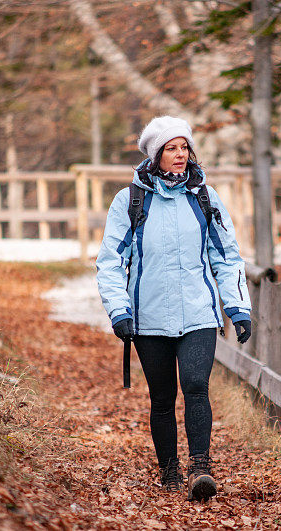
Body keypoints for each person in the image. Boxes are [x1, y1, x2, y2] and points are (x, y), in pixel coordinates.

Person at [96, 116, 252, 501]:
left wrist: (237, 307)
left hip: (198, 312)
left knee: (197, 386)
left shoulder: (205, 197)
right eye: (171, 148)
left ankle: (201, 467)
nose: (180, 155)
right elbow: (110, 261)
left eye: (184, 147)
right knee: (162, 399)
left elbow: (227, 257)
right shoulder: (130, 200)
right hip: (147, 318)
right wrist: (119, 311)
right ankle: (169, 472)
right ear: (156, 154)